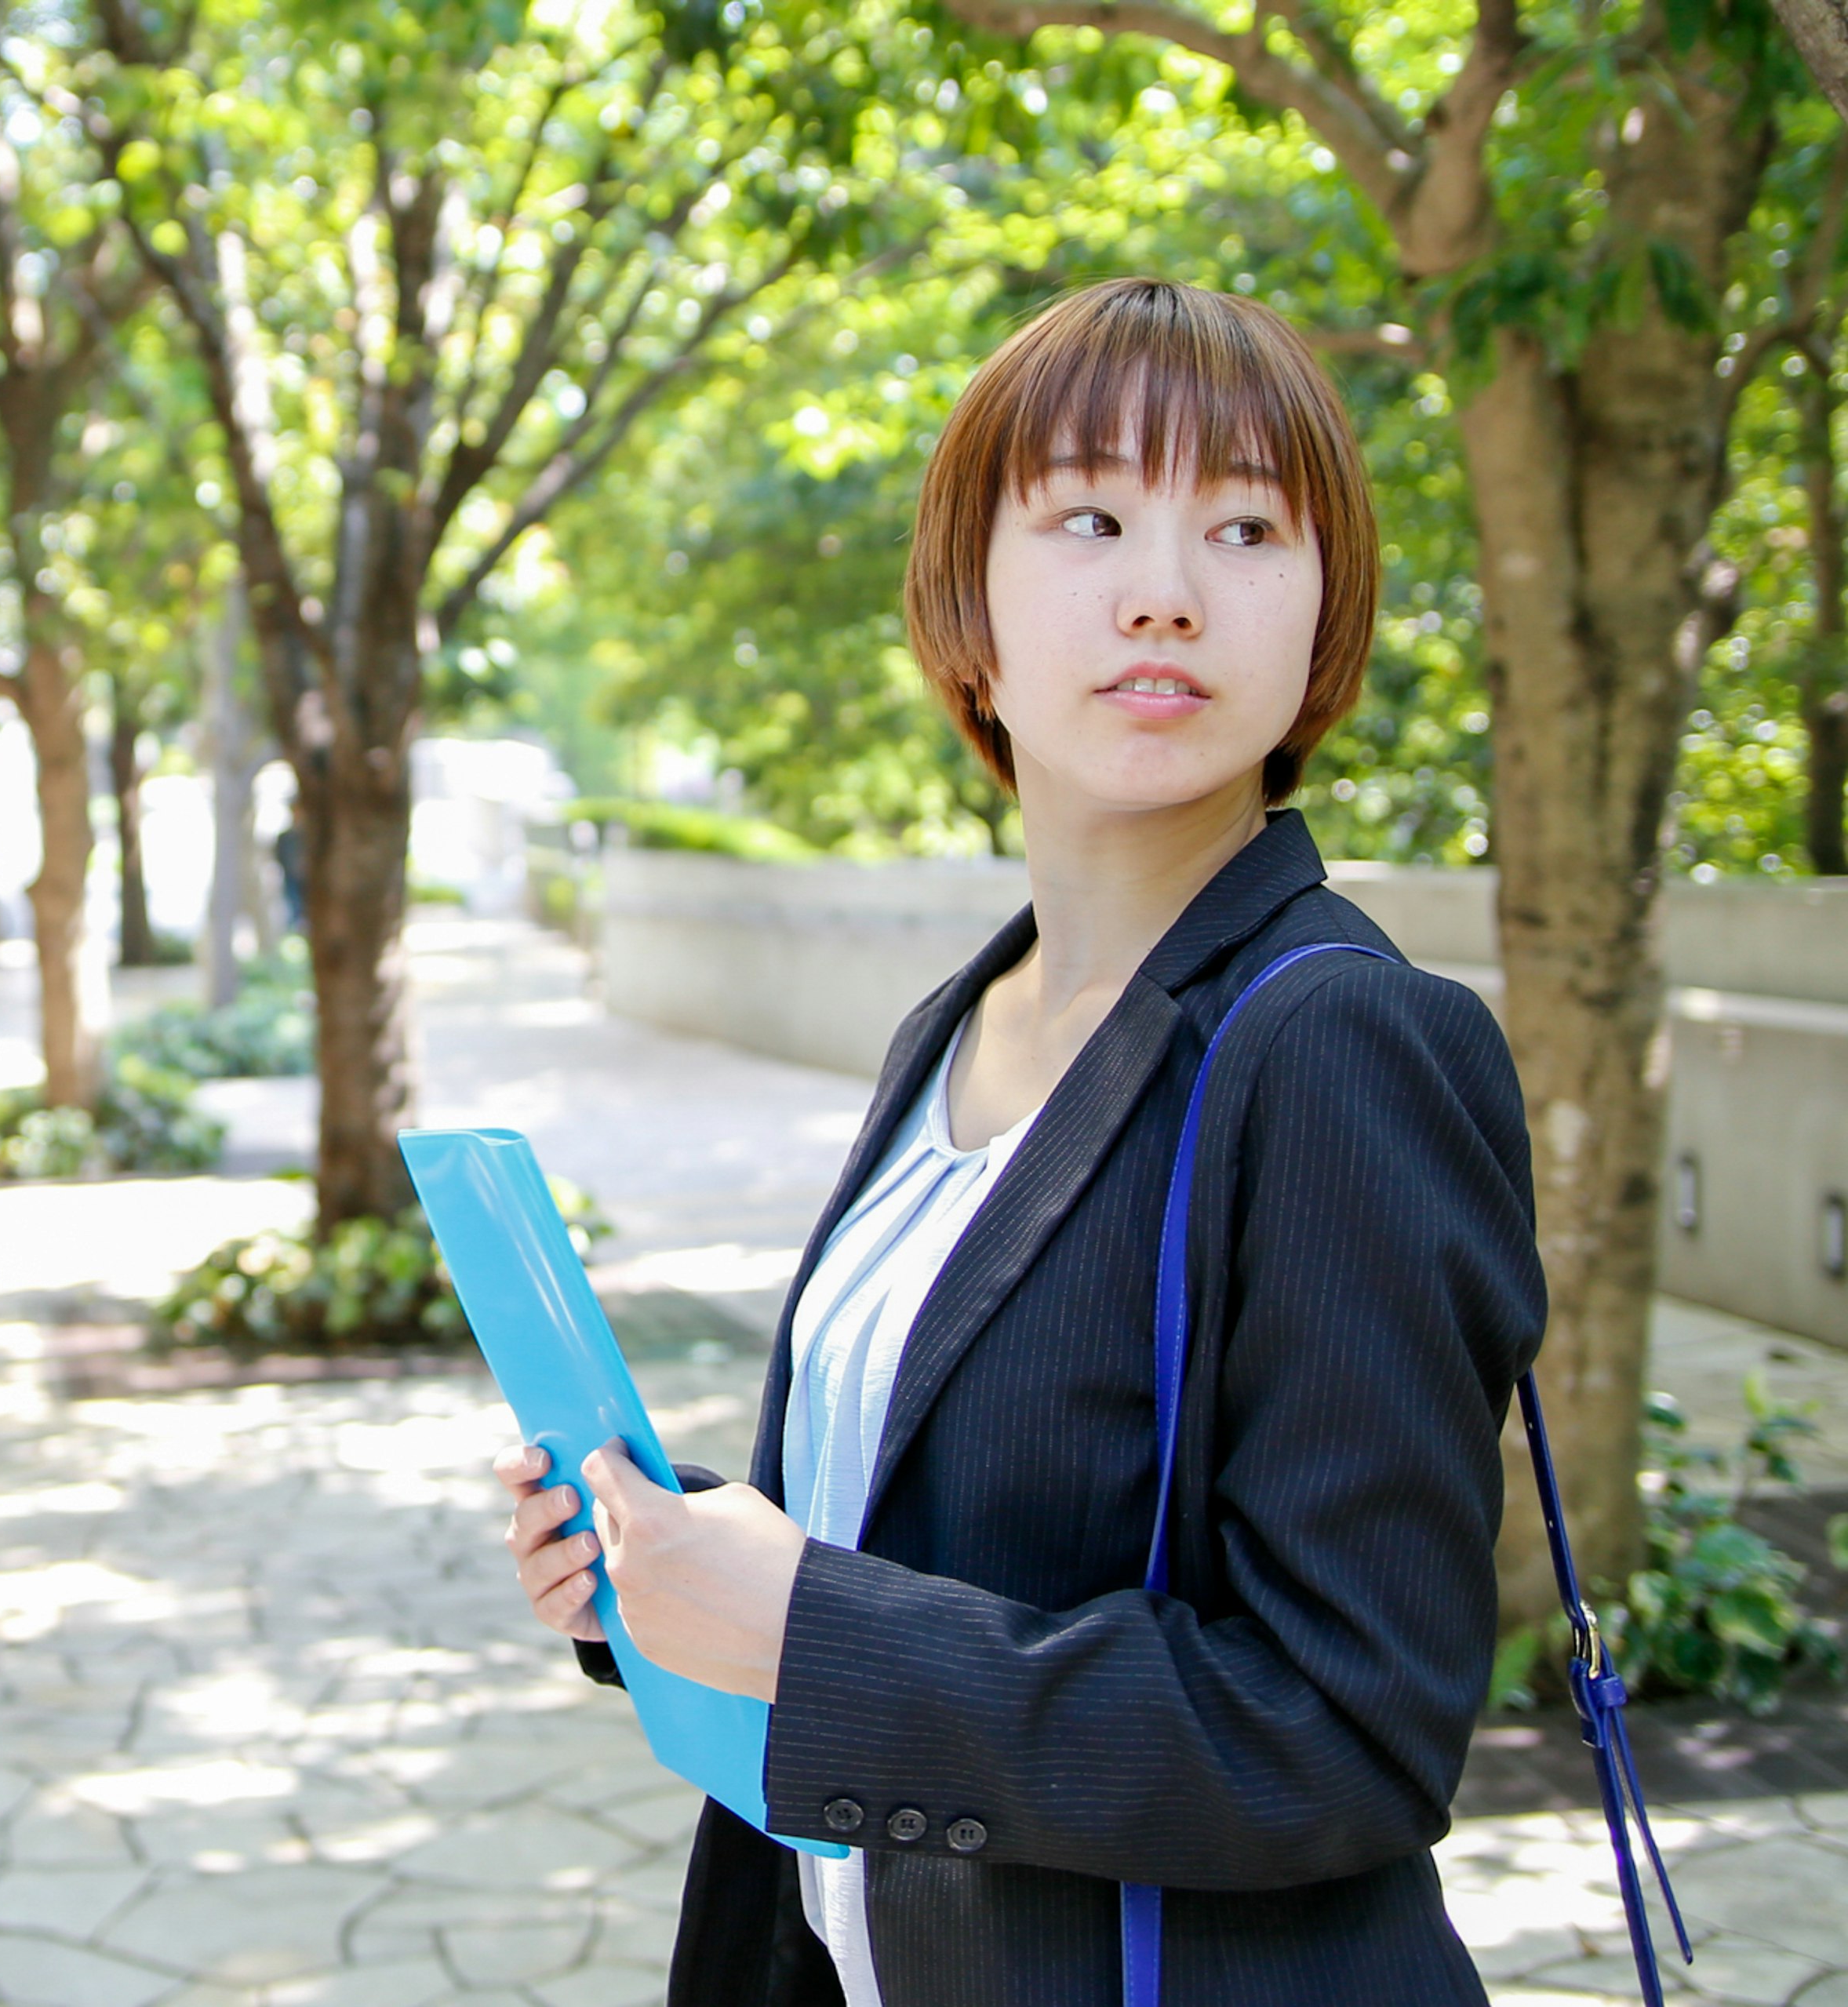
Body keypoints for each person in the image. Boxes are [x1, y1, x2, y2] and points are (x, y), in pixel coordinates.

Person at [493, 278, 1544, 2005]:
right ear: (966, 604)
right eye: (1090, 514)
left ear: (1322, 608)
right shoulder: (960, 1025)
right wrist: (672, 1569)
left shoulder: (1341, 1043)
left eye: (1247, 525)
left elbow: (1353, 1727)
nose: (1166, 589)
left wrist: (807, 1630)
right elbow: (947, 1532)